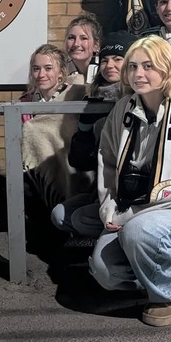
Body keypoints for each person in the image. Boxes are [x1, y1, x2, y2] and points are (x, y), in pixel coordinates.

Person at [92, 35, 171, 326]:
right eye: (133, 66)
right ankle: (153, 270)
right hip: (129, 209)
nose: (138, 74)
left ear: (166, 69)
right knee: (104, 270)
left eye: (148, 66)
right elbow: (107, 163)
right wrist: (109, 209)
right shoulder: (123, 109)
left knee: (140, 232)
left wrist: (133, 216)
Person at [53, 30, 135, 238]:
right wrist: (85, 129)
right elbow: (79, 162)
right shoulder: (93, 97)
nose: (109, 66)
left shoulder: (142, 99)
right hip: (103, 189)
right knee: (61, 215)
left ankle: (128, 241)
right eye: (105, 60)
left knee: (81, 218)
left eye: (118, 59)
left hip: (137, 195)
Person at [19, 44, 86, 217]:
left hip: (74, 170)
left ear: (61, 72)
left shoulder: (77, 95)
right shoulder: (24, 104)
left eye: (48, 68)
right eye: (36, 69)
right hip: (38, 178)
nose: (41, 75)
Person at [64, 13, 101, 85]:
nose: (76, 44)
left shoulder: (104, 71)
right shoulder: (60, 72)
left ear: (96, 45)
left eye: (84, 38)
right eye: (71, 38)